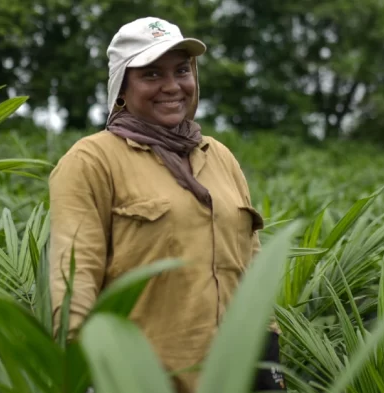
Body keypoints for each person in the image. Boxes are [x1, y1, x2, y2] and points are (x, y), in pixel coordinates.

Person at [47, 16, 284, 393]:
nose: (172, 86)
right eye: (152, 74)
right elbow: (74, 277)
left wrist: (269, 357)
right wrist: (83, 373)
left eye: (181, 71)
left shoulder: (220, 158)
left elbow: (250, 271)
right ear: (122, 86)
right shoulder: (91, 161)